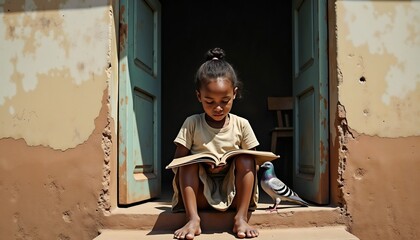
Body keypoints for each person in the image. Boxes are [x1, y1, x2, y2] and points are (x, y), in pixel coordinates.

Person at [171, 48, 260, 239]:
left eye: (225, 101)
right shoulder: (192, 123)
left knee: (246, 158)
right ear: (198, 97)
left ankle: (241, 218)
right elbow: (176, 164)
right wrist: (202, 164)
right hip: (201, 194)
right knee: (187, 163)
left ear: (234, 94)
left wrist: (228, 165)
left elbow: (255, 166)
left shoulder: (242, 124)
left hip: (234, 194)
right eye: (209, 102)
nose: (218, 108)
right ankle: (193, 219)